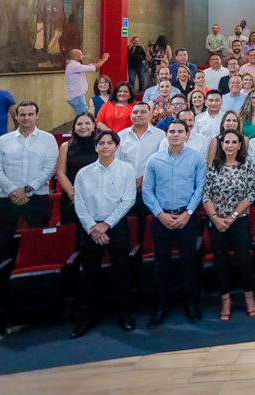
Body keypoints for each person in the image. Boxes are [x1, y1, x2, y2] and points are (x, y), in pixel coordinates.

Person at [70, 129, 137, 338]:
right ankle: (89, 316)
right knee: (88, 274)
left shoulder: (126, 170)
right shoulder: (84, 173)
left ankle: (124, 314)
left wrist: (106, 224)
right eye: (101, 143)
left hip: (115, 226)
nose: (105, 146)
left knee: (121, 272)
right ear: (96, 147)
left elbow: (128, 200)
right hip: (90, 229)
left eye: (109, 143)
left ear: (117, 147)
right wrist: (93, 226)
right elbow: (79, 203)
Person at [141, 120, 207, 326]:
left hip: (187, 217)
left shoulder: (196, 158)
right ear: (166, 135)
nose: (176, 135)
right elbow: (146, 191)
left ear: (187, 135)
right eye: (172, 131)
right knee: (162, 265)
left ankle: (191, 305)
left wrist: (188, 213)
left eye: (180, 131)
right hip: (162, 219)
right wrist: (160, 214)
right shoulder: (154, 160)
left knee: (189, 263)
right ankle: (161, 307)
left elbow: (200, 187)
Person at [0, 102, 58, 272]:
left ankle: (36, 279)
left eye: (30, 114)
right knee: (2, 243)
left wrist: (27, 189)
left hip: (37, 197)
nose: (26, 118)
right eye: (22, 115)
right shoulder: (3, 140)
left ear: (37, 116)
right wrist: (13, 190)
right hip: (6, 198)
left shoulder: (48, 139)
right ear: (16, 117)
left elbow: (50, 168)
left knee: (37, 242)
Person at [203, 130, 255, 321]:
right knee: (220, 261)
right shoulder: (213, 166)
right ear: (221, 144)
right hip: (216, 222)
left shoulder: (247, 165)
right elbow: (206, 195)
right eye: (226, 141)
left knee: (244, 259)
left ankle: (249, 297)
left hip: (239, 220)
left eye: (234, 142)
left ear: (239, 145)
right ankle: (225, 300)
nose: (230, 145)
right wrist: (216, 217)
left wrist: (233, 216)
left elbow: (251, 194)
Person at [116, 101, 163, 219]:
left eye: (143, 112)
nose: (138, 115)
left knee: (147, 225)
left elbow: (162, 163)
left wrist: (142, 180)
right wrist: (131, 181)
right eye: (135, 112)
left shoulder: (160, 136)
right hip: (125, 188)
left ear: (150, 114)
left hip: (152, 189)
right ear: (131, 115)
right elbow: (116, 162)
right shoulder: (121, 136)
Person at [54, 112, 98, 226]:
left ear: (94, 126)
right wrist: (72, 194)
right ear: (74, 127)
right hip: (71, 196)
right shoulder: (65, 146)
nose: (83, 127)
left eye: (87, 123)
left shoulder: (101, 146)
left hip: (96, 196)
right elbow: (60, 173)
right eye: (79, 124)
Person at [65, 49, 110, 116]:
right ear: (75, 56)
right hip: (77, 97)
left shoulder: (76, 66)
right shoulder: (74, 66)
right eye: (81, 55)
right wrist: (104, 60)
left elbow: (91, 66)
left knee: (86, 117)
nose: (83, 56)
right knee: (83, 118)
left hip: (78, 97)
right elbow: (93, 68)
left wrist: (100, 61)